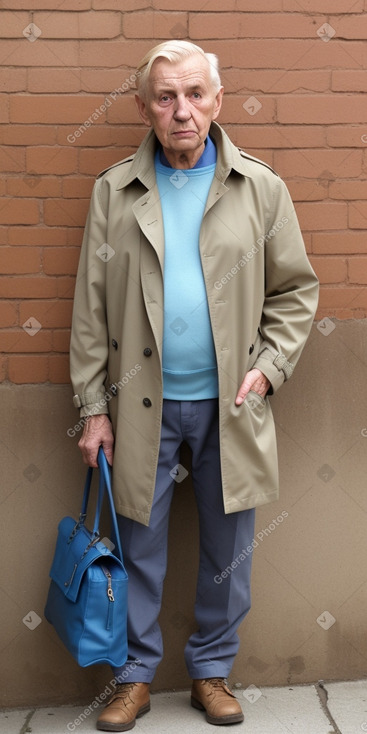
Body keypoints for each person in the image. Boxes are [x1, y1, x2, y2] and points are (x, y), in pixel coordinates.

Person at [70, 40, 319, 731]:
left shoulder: (258, 188)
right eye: (165, 97)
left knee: (227, 551)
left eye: (195, 95)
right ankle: (133, 678)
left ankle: (211, 671)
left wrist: (266, 371)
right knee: (136, 548)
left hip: (230, 405)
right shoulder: (114, 191)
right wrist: (94, 408)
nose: (182, 112)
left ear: (216, 99)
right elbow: (89, 310)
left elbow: (296, 291)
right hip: (138, 404)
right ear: (145, 107)